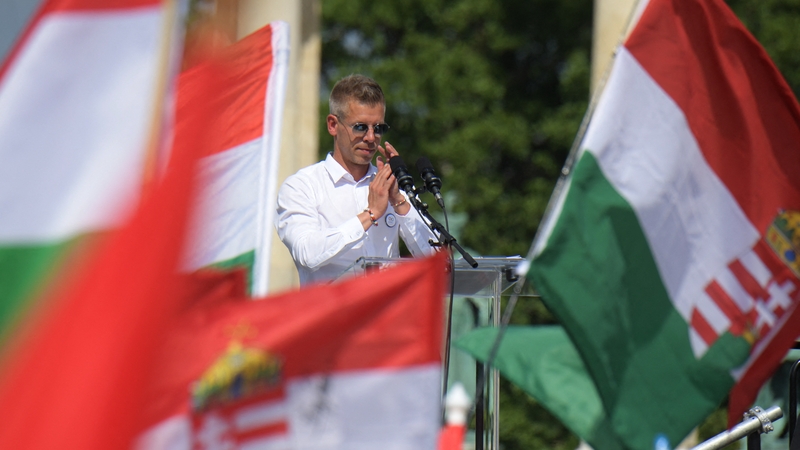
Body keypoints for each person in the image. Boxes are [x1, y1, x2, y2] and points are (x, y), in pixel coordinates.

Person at [275, 74, 439, 285]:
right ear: (333, 125)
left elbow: (437, 260)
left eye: (378, 128)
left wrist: (399, 202)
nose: (371, 138)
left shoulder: (390, 185)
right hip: (334, 317)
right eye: (360, 127)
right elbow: (307, 253)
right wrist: (370, 214)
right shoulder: (302, 186)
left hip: (390, 316)